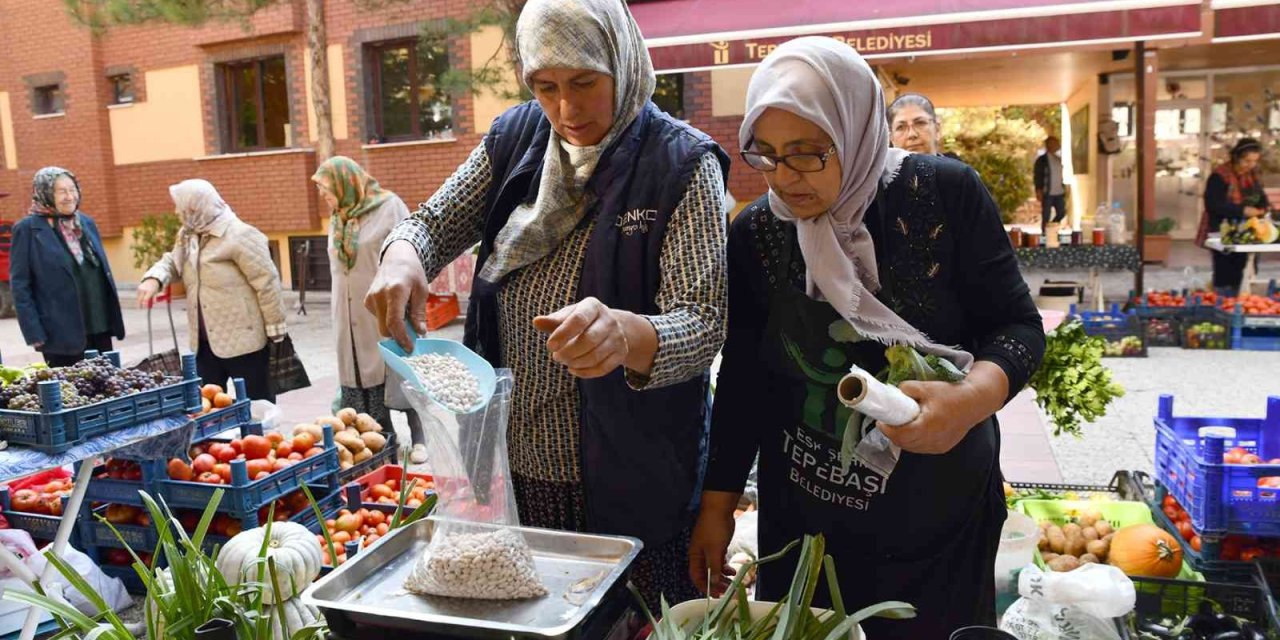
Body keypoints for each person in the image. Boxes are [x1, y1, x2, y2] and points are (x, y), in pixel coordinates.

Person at [365, 0, 729, 609]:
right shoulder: (516, 140)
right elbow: (430, 223)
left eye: (585, 83)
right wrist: (402, 256)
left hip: (630, 472)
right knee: (530, 612)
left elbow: (703, 321)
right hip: (514, 469)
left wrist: (628, 333)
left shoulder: (681, 165)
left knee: (628, 617)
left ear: (621, 60)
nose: (566, 109)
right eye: (545, 87)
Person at [688, 38, 1045, 638]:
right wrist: (717, 505)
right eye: (766, 155)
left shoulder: (944, 195)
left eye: (806, 153)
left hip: (941, 520)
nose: (785, 178)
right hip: (807, 528)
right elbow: (747, 377)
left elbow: (1017, 327)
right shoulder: (757, 232)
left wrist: (969, 400)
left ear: (853, 131)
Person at [312, 156, 429, 464]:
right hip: (347, 312)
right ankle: (383, 439)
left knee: (398, 370)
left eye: (326, 188)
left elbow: (412, 252)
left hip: (384, 306)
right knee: (361, 375)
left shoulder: (388, 206)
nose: (324, 196)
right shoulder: (339, 217)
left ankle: (419, 437)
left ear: (346, 183)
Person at [137, 179, 287, 401]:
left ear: (195, 208)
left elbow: (267, 282)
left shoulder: (240, 234)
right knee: (206, 409)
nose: (177, 211)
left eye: (181, 207)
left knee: (257, 409)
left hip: (244, 343)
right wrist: (154, 278)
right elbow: (173, 261)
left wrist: (276, 328)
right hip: (204, 343)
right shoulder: (188, 234)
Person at [10, 167, 125, 367]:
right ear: (44, 192)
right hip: (59, 335)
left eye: (73, 189)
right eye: (61, 191)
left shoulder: (86, 223)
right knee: (72, 393)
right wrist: (34, 332)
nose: (69, 196)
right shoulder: (27, 229)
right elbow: (20, 285)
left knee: (109, 388)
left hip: (100, 325)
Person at [1202, 137, 1271, 293]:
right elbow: (1213, 205)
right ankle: (1223, 298)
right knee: (1225, 272)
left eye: (1254, 161)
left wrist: (1262, 209)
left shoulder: (1252, 176)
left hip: (1247, 230)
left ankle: (1239, 297)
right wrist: (1242, 210)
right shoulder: (1219, 176)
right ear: (1236, 157)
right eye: (1246, 161)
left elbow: (1261, 198)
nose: (1250, 165)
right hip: (1222, 229)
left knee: (1244, 269)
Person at [887, 93, 960, 161]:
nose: (912, 134)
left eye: (920, 123)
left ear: (937, 130)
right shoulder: (880, 174)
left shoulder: (958, 173)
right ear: (891, 138)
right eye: (901, 127)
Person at [1034, 135, 1068, 235]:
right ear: (1049, 145)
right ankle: (1045, 234)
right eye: (1055, 143)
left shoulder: (1058, 159)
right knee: (1046, 215)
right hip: (1047, 192)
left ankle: (1051, 228)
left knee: (1061, 212)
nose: (1058, 145)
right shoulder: (1041, 160)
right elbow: (1038, 176)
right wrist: (1038, 189)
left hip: (1059, 192)